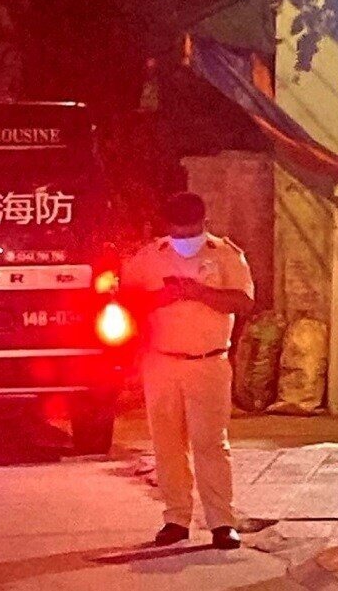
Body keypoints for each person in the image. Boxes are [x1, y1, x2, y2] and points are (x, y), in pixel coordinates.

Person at [120, 192, 254, 550]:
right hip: (161, 362)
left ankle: (222, 522)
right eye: (178, 232)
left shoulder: (225, 254)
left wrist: (199, 293)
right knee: (167, 443)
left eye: (191, 231)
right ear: (168, 227)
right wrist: (160, 298)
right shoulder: (151, 256)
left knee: (210, 443)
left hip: (209, 362)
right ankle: (176, 519)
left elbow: (243, 302)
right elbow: (126, 300)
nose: (184, 239)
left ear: (203, 223)